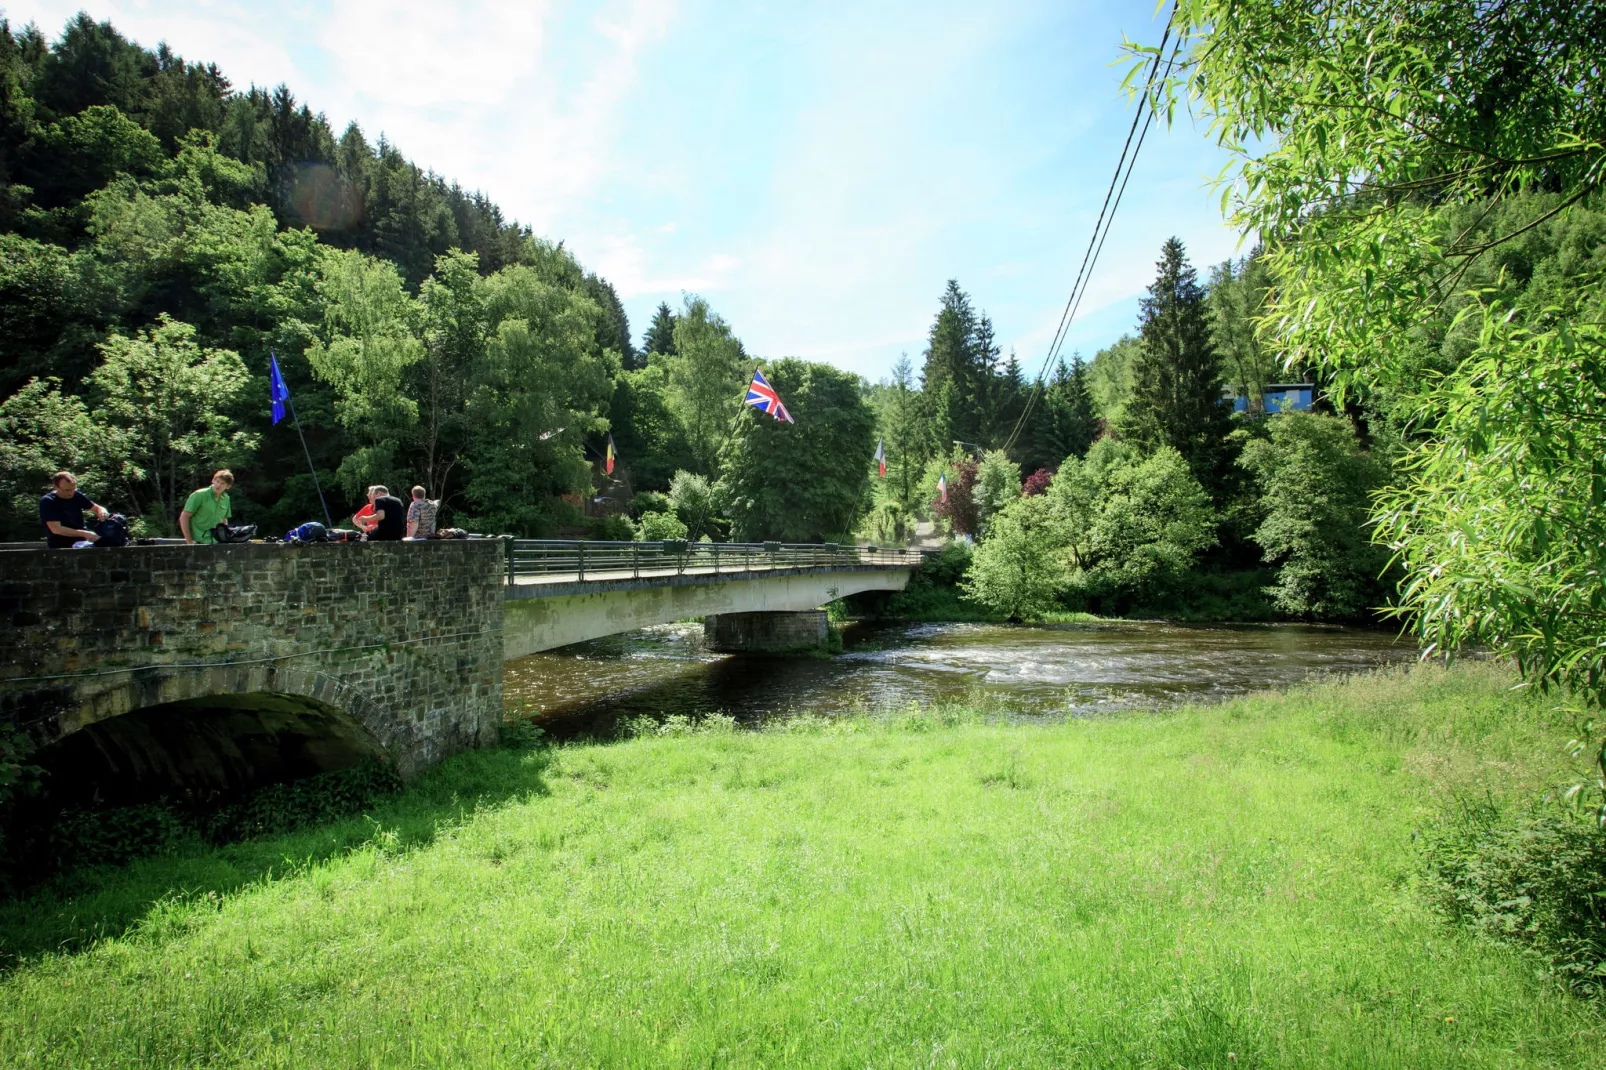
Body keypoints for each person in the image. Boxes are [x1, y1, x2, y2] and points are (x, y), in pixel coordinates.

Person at [39, 471, 109, 548]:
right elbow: (56, 529)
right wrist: (85, 533)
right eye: (67, 490)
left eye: (73, 489)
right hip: (60, 546)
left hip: (82, 543)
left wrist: (102, 512)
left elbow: (97, 508)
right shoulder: (48, 501)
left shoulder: (77, 495)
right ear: (56, 487)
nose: (71, 493)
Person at [179, 469, 234, 545]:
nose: (218, 485)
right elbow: (184, 517)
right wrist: (189, 541)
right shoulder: (199, 495)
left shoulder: (226, 498)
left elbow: (224, 520)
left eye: (222, 483)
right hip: (198, 542)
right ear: (213, 480)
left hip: (216, 542)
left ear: (228, 486)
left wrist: (224, 538)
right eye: (217, 481)